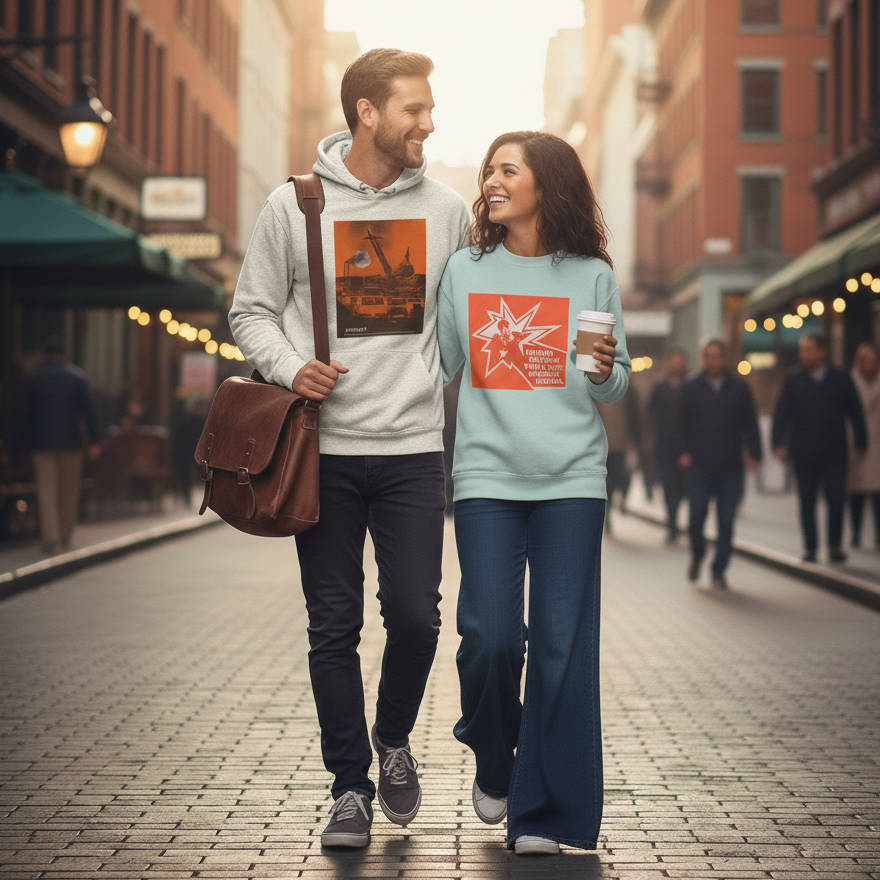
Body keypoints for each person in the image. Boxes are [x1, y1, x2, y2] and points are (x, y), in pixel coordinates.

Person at [228, 49, 470, 849]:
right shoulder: (290, 205)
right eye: (414, 109)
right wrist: (292, 366)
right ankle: (349, 787)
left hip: (409, 449)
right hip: (320, 452)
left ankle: (392, 738)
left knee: (416, 617)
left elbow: (466, 322)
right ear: (367, 112)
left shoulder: (445, 210)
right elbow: (251, 312)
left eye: (430, 109)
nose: (428, 123)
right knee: (331, 625)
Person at [437, 131, 630, 855]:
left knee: (561, 649)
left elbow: (611, 384)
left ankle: (543, 813)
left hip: (572, 483)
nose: (490, 180)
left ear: (545, 184)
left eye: (506, 170)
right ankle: (495, 754)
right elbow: (439, 367)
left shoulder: (590, 276)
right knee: (488, 635)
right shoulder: (465, 269)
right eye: (488, 169)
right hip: (486, 478)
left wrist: (609, 366)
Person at [773, 333, 866, 562]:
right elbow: (781, 413)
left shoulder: (841, 379)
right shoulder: (793, 379)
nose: (805, 354)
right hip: (803, 451)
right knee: (806, 501)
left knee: (836, 498)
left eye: (810, 349)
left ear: (823, 351)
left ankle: (834, 545)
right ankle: (811, 547)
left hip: (834, 451)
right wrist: (778, 443)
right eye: (803, 350)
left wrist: (861, 442)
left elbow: (855, 412)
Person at [678, 338, 761, 590]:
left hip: (730, 466)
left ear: (724, 358)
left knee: (726, 520)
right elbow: (680, 424)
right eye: (708, 356)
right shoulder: (691, 387)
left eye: (717, 356)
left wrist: (755, 453)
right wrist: (683, 451)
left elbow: (750, 423)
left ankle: (719, 570)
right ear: (702, 358)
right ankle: (698, 553)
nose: (713, 360)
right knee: (696, 517)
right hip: (699, 465)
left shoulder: (739, 388)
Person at [12, 336, 101, 555]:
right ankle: (65, 534)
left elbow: (23, 415)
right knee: (69, 491)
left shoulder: (34, 379)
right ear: (64, 354)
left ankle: (50, 537)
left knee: (47, 490)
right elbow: (89, 412)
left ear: (45, 355)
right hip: (71, 443)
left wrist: (17, 446)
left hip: (42, 443)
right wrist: (95, 440)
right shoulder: (77, 378)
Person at [648, 348, 689, 542]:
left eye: (680, 361)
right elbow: (650, 414)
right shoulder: (660, 388)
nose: (677, 365)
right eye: (673, 361)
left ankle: (676, 520)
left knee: (681, 488)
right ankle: (672, 523)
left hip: (686, 449)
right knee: (667, 485)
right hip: (664, 447)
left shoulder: (690, 386)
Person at [848, 343, 880, 549]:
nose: (870, 364)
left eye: (873, 360)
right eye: (866, 360)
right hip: (856, 442)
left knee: (878, 491)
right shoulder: (849, 381)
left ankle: (878, 532)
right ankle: (856, 532)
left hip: (877, 443)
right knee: (856, 492)